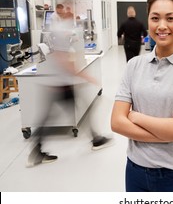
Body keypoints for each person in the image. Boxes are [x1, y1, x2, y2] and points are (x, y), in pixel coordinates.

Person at [111, 0, 173, 192]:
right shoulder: (133, 66)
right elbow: (117, 123)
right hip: (135, 171)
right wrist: (168, 131)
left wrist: (135, 116)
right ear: (149, 21)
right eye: (155, 18)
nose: (162, 26)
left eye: (170, 18)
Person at [27, 12, 112, 167]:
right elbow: (64, 62)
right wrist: (86, 77)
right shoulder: (60, 32)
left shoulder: (59, 30)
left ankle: (37, 151)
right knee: (68, 112)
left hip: (56, 83)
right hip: (60, 85)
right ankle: (96, 139)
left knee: (50, 117)